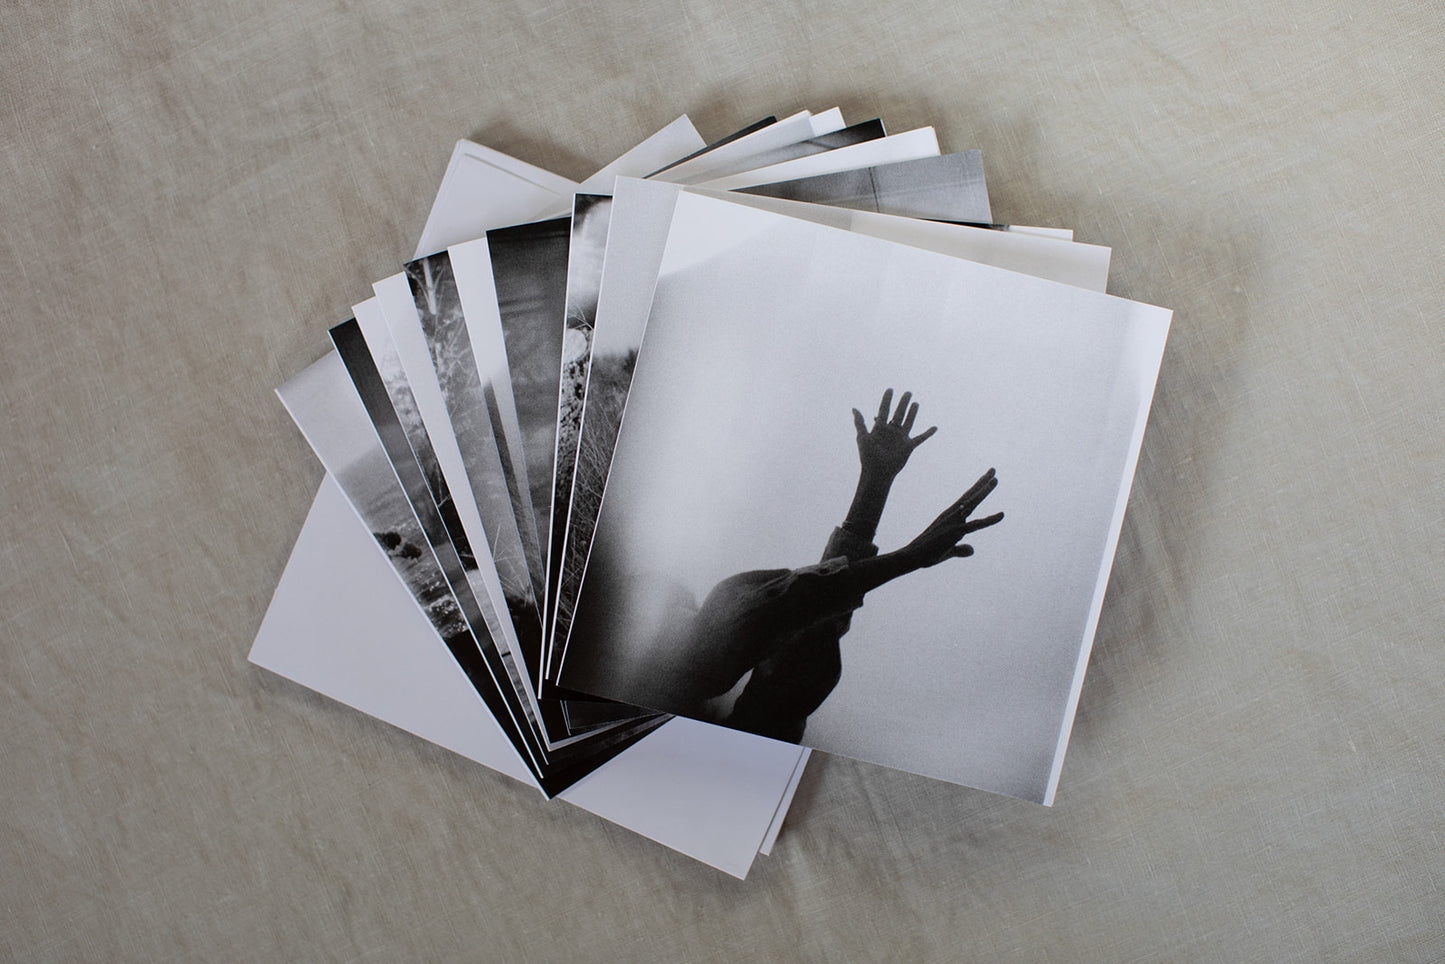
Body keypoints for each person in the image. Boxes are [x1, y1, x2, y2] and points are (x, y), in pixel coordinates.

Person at [639, 390, 1004, 741]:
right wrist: (906, 554)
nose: (694, 613)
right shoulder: (652, 665)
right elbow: (767, 618)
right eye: (683, 612)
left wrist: (875, 487)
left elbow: (797, 624)